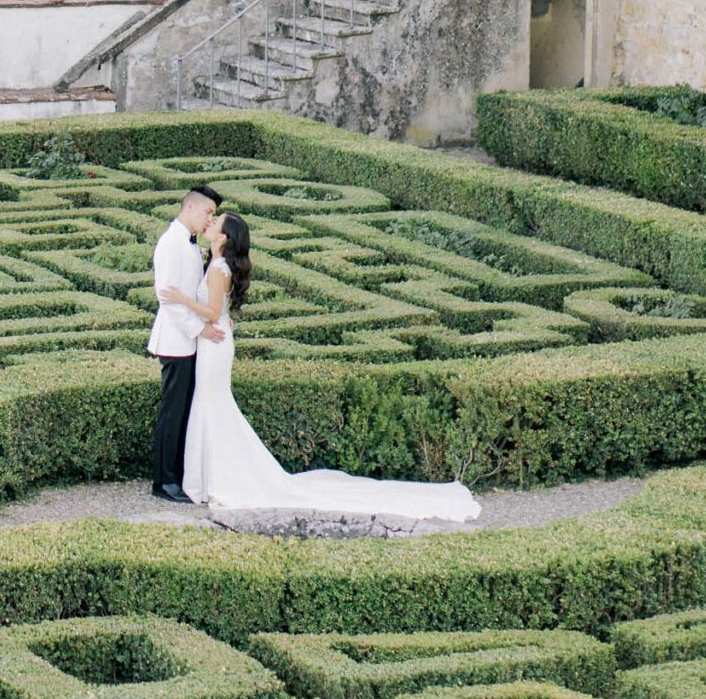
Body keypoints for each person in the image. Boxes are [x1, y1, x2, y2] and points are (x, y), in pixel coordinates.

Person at [166, 209, 481, 525]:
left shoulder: (219, 268)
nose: (210, 223)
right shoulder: (215, 263)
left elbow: (211, 310)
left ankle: (216, 479)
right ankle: (210, 479)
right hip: (213, 342)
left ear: (224, 237)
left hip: (215, 342)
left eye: (216, 222)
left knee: (213, 403)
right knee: (210, 403)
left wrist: (181, 298)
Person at [147, 183, 224, 501]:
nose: (210, 219)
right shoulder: (171, 243)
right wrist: (200, 329)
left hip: (188, 341)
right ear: (190, 206)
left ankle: (174, 475)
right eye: (208, 212)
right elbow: (168, 298)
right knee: (172, 411)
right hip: (176, 341)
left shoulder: (189, 243)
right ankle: (163, 481)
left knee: (181, 410)